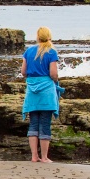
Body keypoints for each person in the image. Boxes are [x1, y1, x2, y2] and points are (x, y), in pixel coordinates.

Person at [22, 26, 61, 163]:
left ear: (38, 37)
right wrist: (56, 81)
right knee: (45, 123)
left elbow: (23, 72)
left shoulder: (29, 51)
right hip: (46, 92)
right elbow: (53, 74)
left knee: (33, 123)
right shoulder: (51, 52)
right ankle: (44, 157)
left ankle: (34, 156)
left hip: (32, 90)